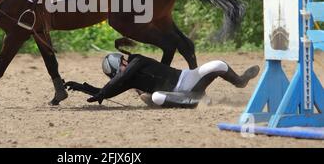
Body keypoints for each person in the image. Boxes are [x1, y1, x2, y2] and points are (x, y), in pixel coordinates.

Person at [65, 40, 260, 108]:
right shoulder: (124, 80)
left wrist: (102, 94)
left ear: (122, 62)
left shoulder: (137, 60)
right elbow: (105, 90)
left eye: (117, 72)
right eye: (114, 75)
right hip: (176, 95)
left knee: (218, 64)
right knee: (157, 98)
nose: (118, 76)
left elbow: (113, 85)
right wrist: (83, 88)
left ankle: (240, 81)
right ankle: (197, 101)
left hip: (186, 78)